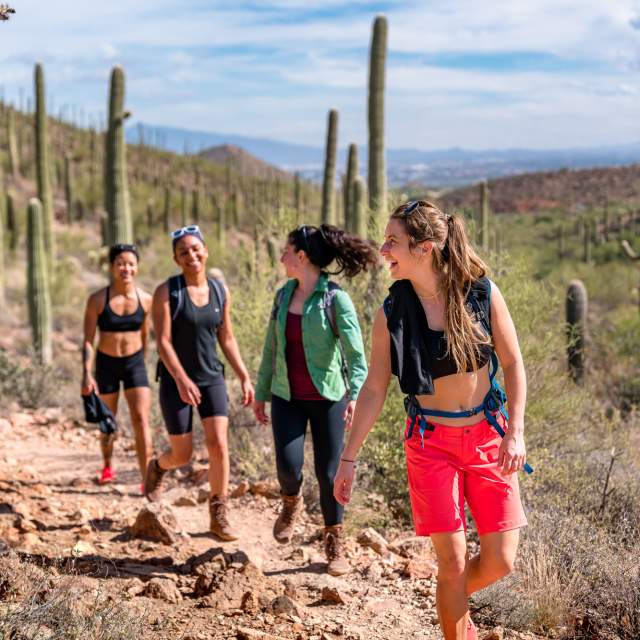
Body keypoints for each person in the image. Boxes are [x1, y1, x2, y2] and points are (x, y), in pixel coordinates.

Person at [333, 201, 529, 640]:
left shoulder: (482, 293)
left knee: (501, 560)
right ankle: (454, 618)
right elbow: (374, 389)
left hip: (488, 438)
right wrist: (348, 457)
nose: (383, 249)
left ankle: (451, 602)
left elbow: (514, 365)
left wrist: (515, 432)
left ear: (424, 249)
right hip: (430, 442)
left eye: (392, 241)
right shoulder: (391, 313)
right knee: (453, 562)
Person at [253, 224, 377, 576]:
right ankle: (291, 503)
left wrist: (354, 397)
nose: (281, 257)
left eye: (286, 251)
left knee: (328, 473)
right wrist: (261, 393)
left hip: (329, 399)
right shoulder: (282, 296)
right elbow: (270, 348)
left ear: (301, 257)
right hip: (286, 396)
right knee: (289, 468)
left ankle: (334, 540)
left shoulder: (335, 300)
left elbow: (356, 358)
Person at [145, 225, 255, 542]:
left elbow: (227, 337)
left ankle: (218, 514)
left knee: (219, 444)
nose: (191, 255)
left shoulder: (220, 291)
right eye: (183, 252)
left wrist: (244, 375)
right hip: (175, 379)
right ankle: (159, 467)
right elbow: (163, 343)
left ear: (205, 251)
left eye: (196, 249)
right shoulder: (168, 292)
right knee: (183, 455)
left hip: (211, 378)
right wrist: (181, 379)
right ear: (176, 259)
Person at [82, 243, 153, 488]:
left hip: (135, 364)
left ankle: (147, 479)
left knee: (141, 419)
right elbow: (88, 341)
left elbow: (146, 336)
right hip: (106, 364)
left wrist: (141, 363)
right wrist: (86, 374)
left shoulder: (146, 300)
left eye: (131, 263)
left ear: (137, 267)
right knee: (108, 422)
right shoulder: (97, 300)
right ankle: (107, 466)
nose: (126, 268)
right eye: (120, 263)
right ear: (112, 267)